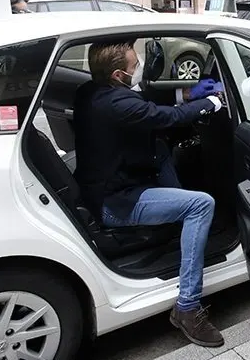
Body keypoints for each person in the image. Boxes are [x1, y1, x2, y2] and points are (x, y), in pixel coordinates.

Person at [73, 40, 226, 347]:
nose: (138, 66)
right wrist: (210, 104)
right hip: (115, 202)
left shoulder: (91, 92)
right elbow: (164, 118)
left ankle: (180, 230)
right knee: (201, 204)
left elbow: (143, 101)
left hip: (108, 181)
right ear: (118, 74)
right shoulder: (117, 104)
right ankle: (187, 306)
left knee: (163, 151)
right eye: (134, 65)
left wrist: (185, 94)